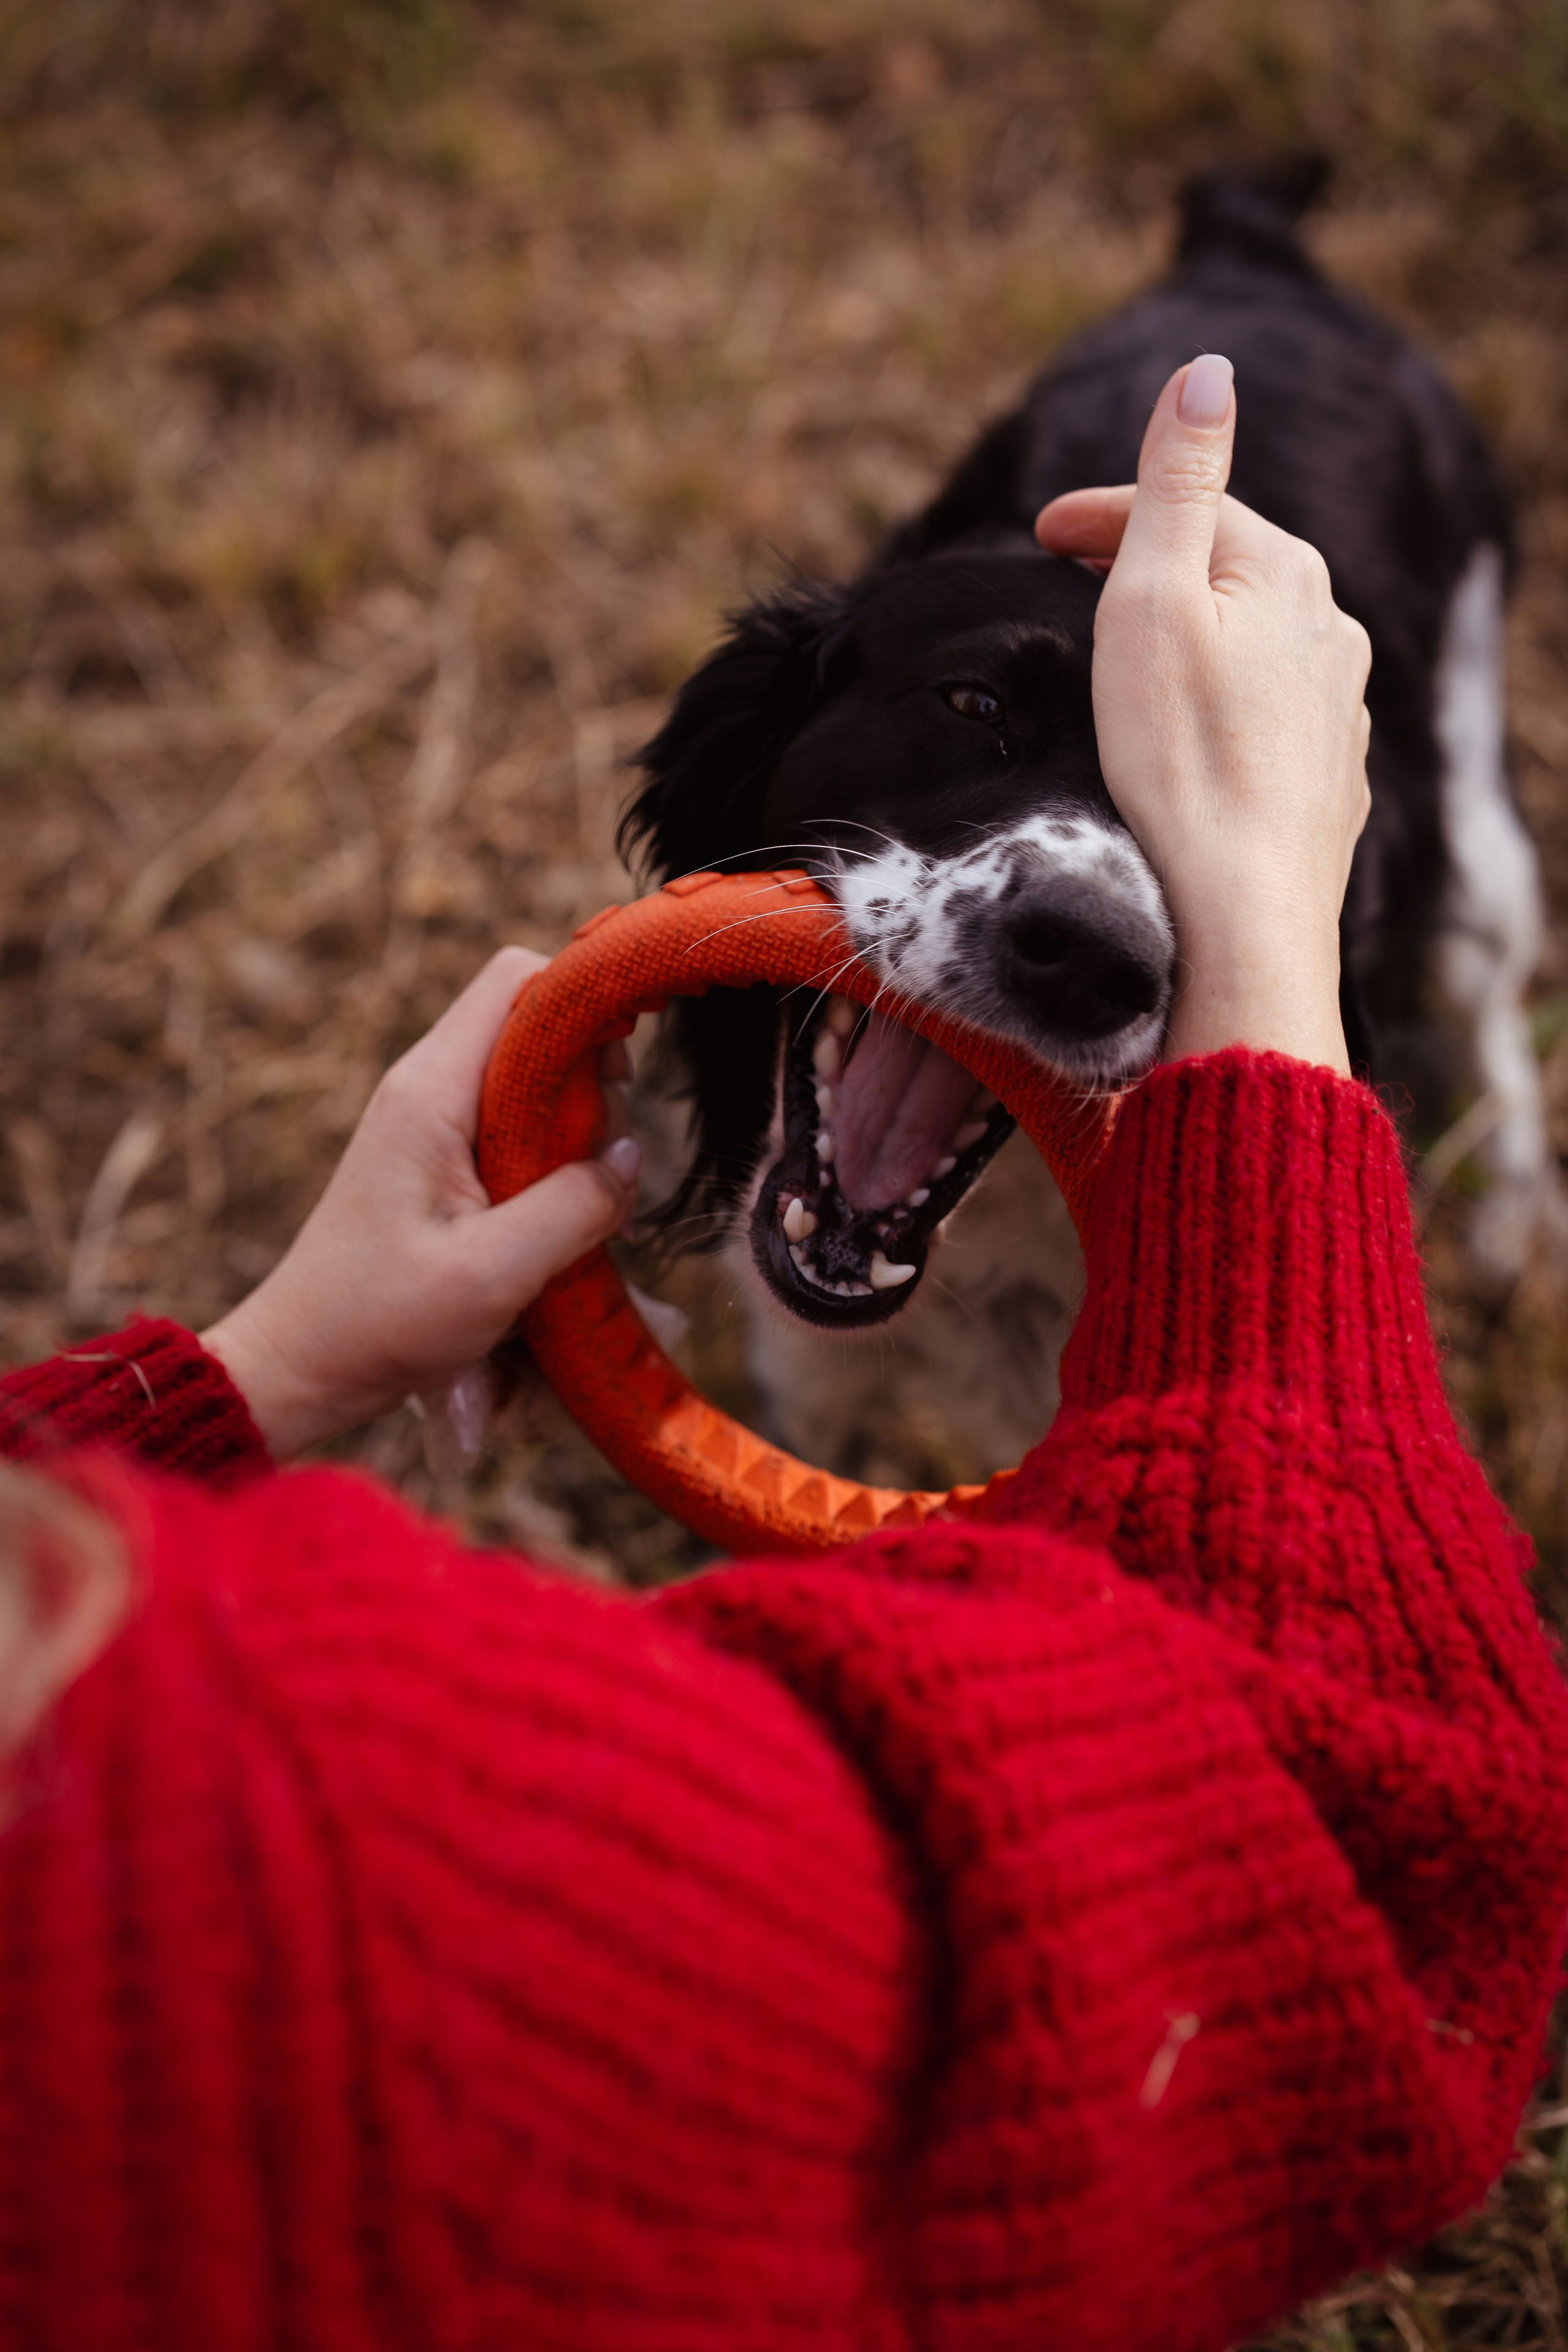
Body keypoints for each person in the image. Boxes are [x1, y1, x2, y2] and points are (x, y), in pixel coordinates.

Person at [1, 356, 1564, 2352]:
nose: (1083, 905)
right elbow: (1377, 1878)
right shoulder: (294, 1817)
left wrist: (262, 1368)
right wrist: (1260, 934)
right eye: (984, 716)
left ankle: (1510, 1094)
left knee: (1489, 903)